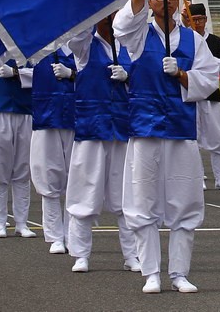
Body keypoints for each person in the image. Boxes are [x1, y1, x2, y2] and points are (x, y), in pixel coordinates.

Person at [113, 0, 220, 294]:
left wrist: (185, 76)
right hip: (144, 129)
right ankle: (151, 272)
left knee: (185, 201)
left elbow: (209, 80)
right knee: (142, 200)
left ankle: (179, 272)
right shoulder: (137, 34)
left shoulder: (192, 39)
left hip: (179, 129)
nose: (166, 0)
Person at [65, 14, 139, 274]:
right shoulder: (86, 47)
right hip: (92, 129)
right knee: (85, 191)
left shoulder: (127, 47)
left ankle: (132, 255)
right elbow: (76, 32)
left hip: (121, 128)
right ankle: (81, 253)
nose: (109, 19)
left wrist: (129, 76)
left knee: (125, 196)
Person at [0, 60, 36, 239]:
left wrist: (18, 73)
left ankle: (21, 222)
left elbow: (44, 75)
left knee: (22, 170)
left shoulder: (30, 45)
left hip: (26, 110)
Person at [30, 49, 77, 254]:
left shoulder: (84, 42)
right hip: (46, 114)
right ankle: (55, 235)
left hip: (77, 116)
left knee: (75, 178)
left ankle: (72, 233)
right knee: (47, 174)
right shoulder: (39, 46)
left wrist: (72, 74)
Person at [185, 3, 220, 191]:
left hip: (211, 95)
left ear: (205, 20)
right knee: (193, 138)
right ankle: (198, 176)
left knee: (217, 136)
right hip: (192, 94)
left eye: (201, 19)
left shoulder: (215, 41)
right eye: (194, 20)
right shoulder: (185, 40)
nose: (198, 23)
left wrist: (210, 65)